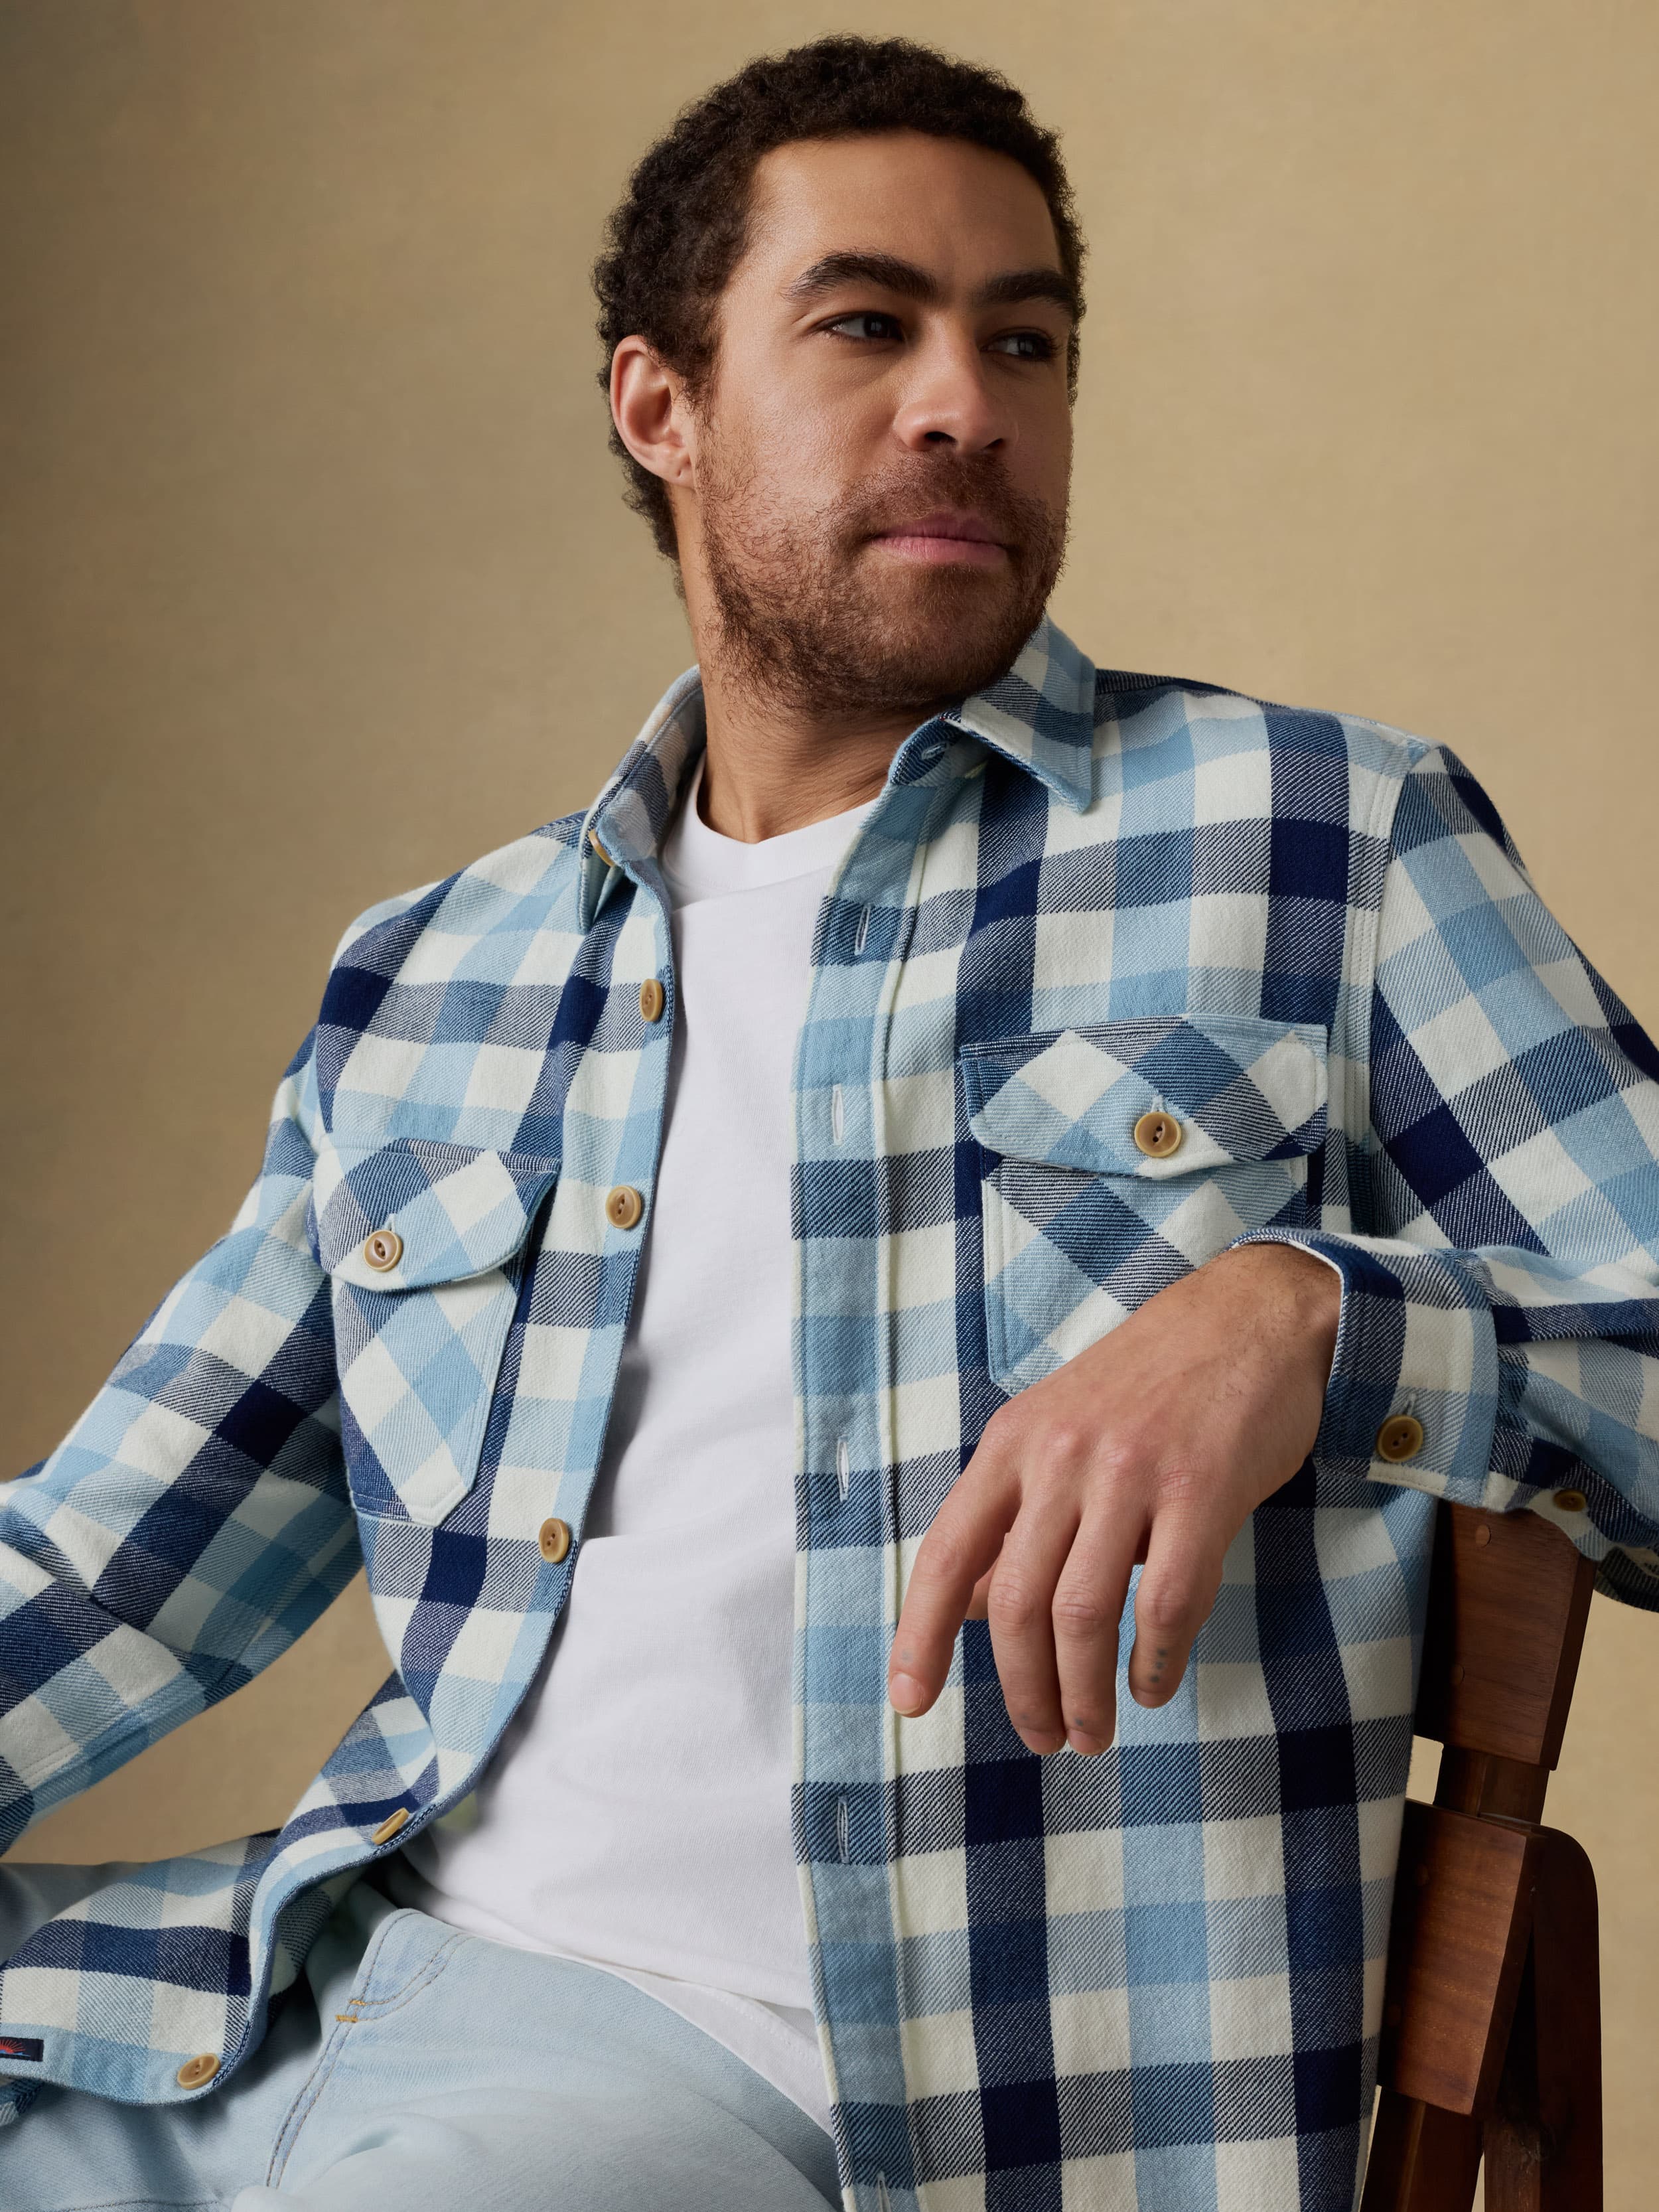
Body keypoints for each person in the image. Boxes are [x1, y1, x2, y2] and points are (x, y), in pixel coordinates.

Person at [3, 31, 1656, 2212]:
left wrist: (1305, 1320)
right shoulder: (443, 973)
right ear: (657, 406)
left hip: (778, 2093)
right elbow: (115, 1561)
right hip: (282, 1985)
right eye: (867, 322)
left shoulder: (1319, 842)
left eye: (1026, 336)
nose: (964, 397)